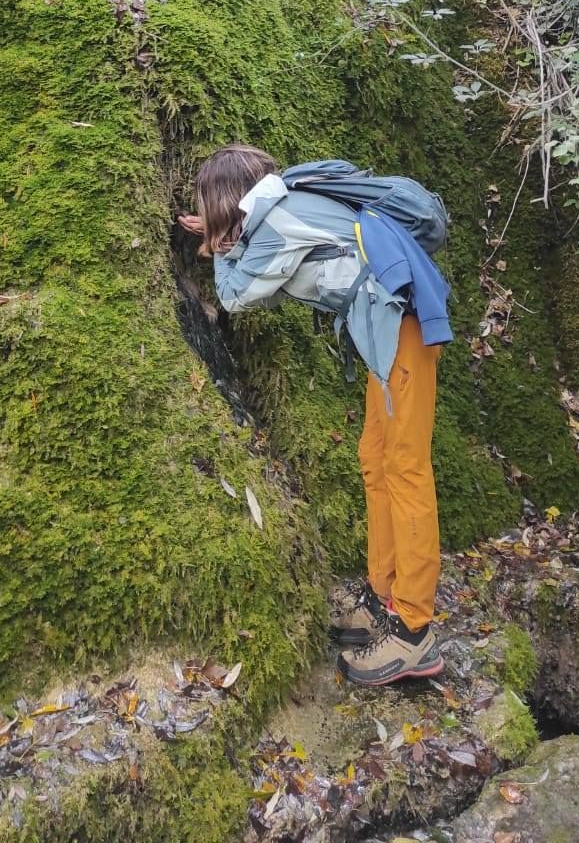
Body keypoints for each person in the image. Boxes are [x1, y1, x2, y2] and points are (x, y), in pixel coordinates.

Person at [179, 143, 452, 688]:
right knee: (376, 458)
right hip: (393, 332)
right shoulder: (286, 207)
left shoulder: (277, 221)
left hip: (406, 331)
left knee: (404, 468)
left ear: (223, 202)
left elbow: (236, 298)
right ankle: (383, 598)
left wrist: (217, 248)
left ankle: (415, 630)